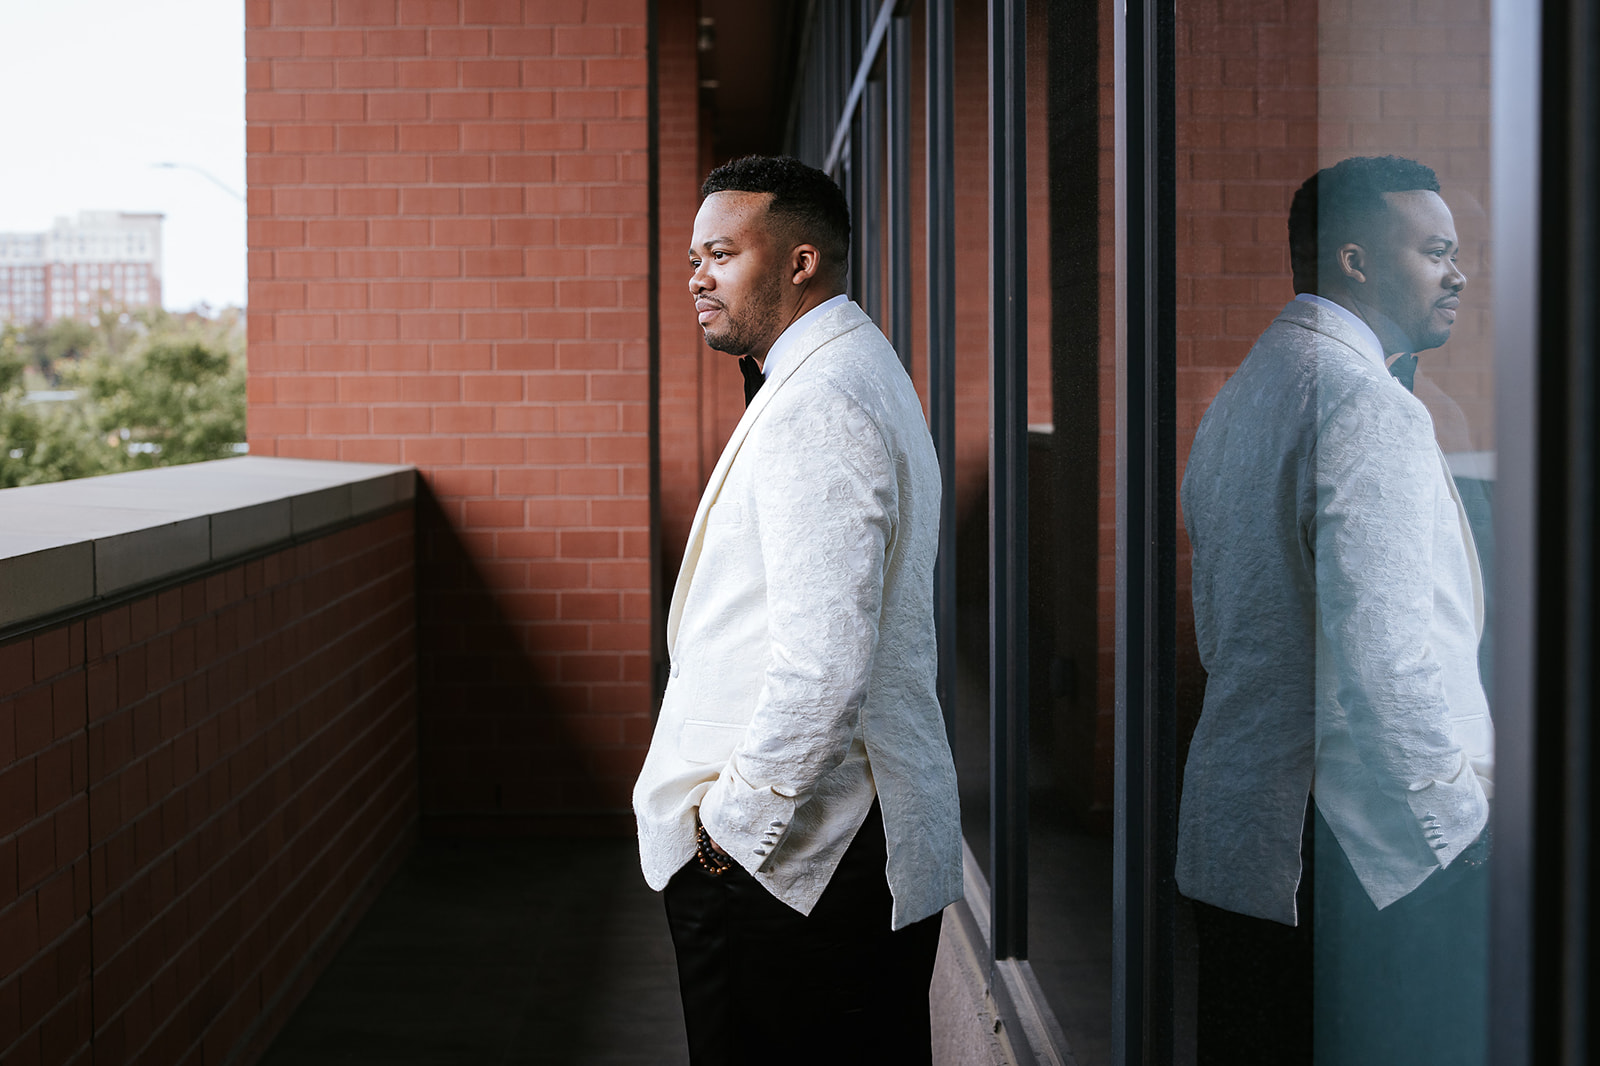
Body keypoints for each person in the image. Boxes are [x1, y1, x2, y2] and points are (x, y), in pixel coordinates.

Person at [632, 155, 962, 1066]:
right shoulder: (842, 370)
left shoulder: (821, 398)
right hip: (825, 848)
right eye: (693, 257)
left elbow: (826, 662)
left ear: (800, 260)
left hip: (801, 860)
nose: (695, 276)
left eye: (721, 253)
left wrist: (730, 833)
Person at [1176, 155, 1493, 1064]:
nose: (1458, 274)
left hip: (1238, 835)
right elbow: (1387, 660)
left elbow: (1222, 624)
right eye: (1436, 252)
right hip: (1358, 852)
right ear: (1355, 261)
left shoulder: (1242, 396)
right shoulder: (1367, 406)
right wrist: (1461, 831)